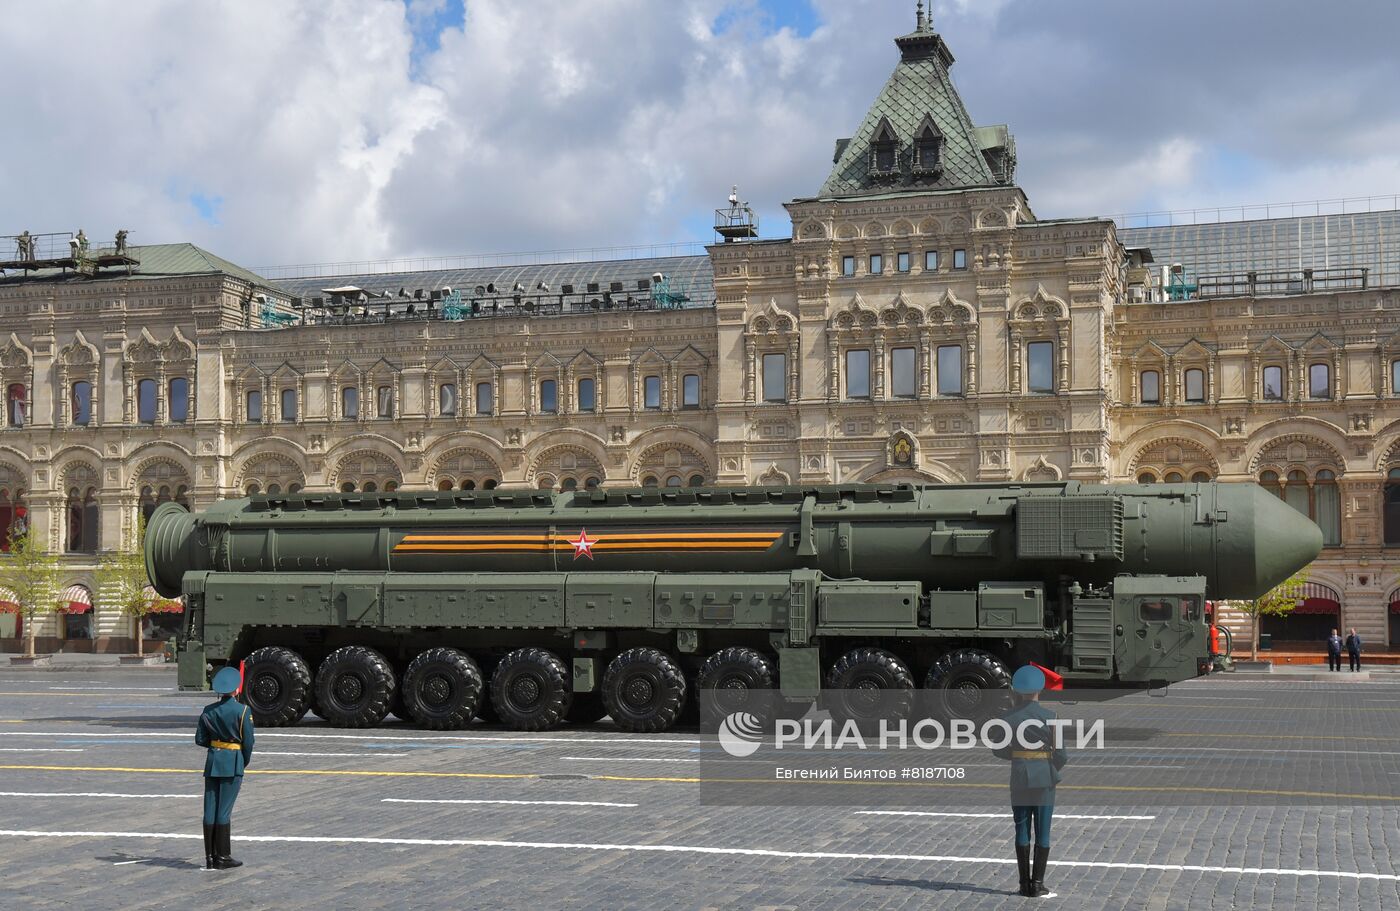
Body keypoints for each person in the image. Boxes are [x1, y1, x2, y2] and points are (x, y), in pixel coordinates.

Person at [993, 665, 1068, 898]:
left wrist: (1018, 757)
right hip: (1044, 777)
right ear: (1040, 690)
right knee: (1043, 832)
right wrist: (1046, 766)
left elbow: (998, 749)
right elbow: (1062, 755)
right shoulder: (1051, 717)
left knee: (1021, 829)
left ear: (1018, 690)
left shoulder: (1007, 717)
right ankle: (1038, 884)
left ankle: (1024, 884)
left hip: (1019, 776)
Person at [195, 666, 254, 870]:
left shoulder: (208, 711)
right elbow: (248, 744)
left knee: (209, 809)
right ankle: (223, 856)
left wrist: (216, 746)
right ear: (237, 689)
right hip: (233, 761)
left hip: (212, 762)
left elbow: (200, 739)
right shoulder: (243, 711)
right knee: (224, 811)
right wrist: (241, 761)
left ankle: (210, 857)